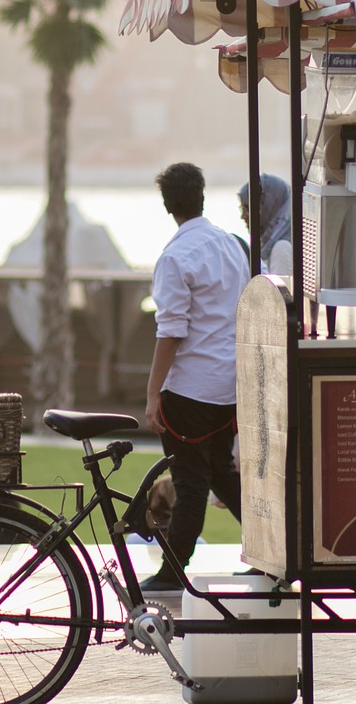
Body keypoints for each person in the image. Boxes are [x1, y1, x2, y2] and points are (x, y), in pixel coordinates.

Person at [140, 163, 249, 593]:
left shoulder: (175, 257)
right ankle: (274, 551)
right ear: (201, 196)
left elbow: (170, 331)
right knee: (221, 474)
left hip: (189, 390)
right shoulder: (231, 246)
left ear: (168, 206)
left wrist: (152, 396)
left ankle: (172, 570)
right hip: (227, 386)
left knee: (191, 482)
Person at [237, 173, 293, 276]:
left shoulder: (281, 248)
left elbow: (279, 291)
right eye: (242, 208)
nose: (243, 216)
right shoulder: (268, 243)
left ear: (268, 206)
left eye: (248, 208)